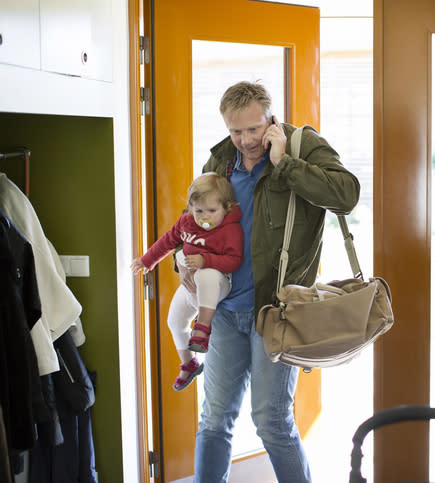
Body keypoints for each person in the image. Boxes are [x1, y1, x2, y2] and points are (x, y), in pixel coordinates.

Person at [182, 81, 359, 482]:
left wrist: (286, 163)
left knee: (272, 422)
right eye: (235, 131)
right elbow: (197, 216)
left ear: (270, 117)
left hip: (276, 313)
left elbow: (346, 195)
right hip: (225, 312)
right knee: (213, 419)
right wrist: (185, 258)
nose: (245, 141)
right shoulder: (222, 157)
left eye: (253, 129)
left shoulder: (302, 145)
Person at [131, 172, 243, 391]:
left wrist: (205, 260)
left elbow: (234, 261)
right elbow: (168, 241)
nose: (204, 217)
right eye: (198, 210)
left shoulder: (230, 229)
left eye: (212, 211)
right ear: (190, 207)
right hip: (190, 286)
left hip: (217, 284)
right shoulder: (187, 223)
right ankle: (189, 363)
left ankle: (203, 327)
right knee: (174, 321)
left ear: (227, 207)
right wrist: (147, 261)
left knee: (205, 273)